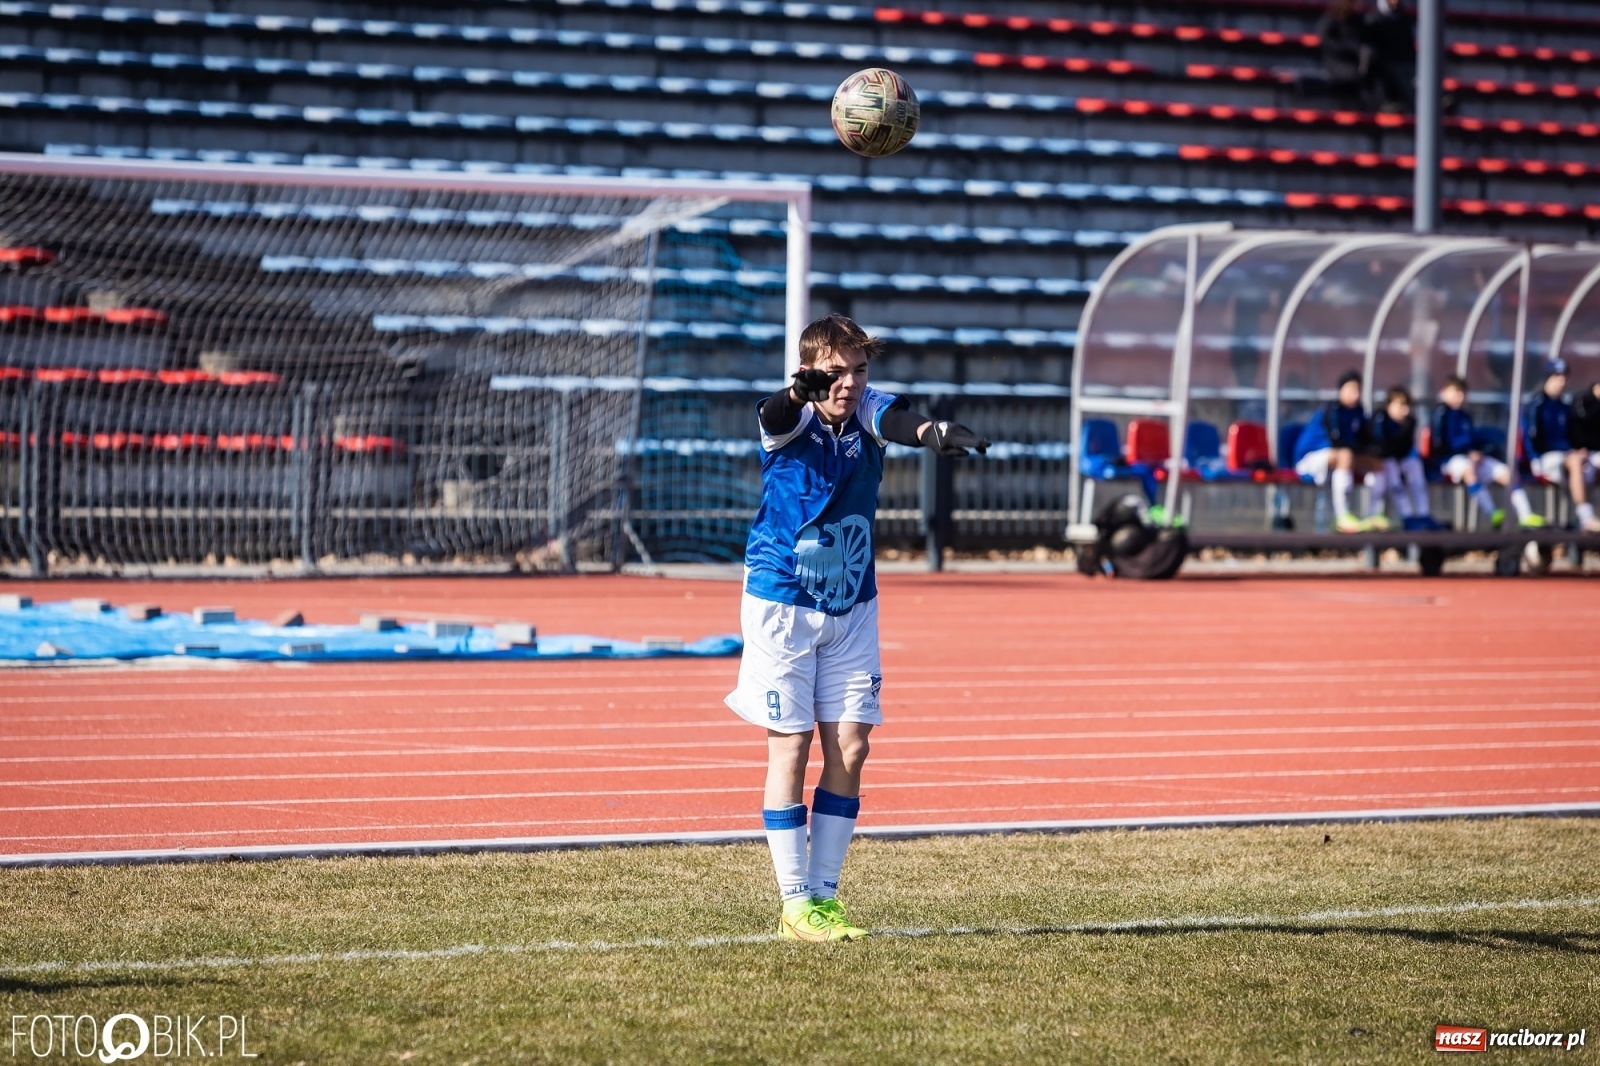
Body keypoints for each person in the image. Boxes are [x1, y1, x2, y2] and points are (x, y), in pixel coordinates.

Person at [726, 312, 989, 943]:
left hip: (853, 604)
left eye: (858, 369)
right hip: (783, 603)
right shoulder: (791, 419)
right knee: (790, 747)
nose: (849, 382)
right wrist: (798, 392)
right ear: (813, 368)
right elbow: (774, 416)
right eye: (836, 371)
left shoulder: (868, 407)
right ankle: (794, 903)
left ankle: (824, 899)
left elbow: (899, 420)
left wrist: (935, 433)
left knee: (851, 747)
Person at [1432, 375, 1544, 529]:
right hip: (1449, 461)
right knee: (1469, 470)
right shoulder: (1441, 414)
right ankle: (1493, 514)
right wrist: (1467, 452)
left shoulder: (1465, 416)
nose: (1459, 397)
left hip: (1470, 457)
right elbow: (1440, 443)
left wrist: (1478, 452)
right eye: (1455, 392)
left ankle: (1526, 515)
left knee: (1507, 473)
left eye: (1462, 392)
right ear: (1444, 392)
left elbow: (1472, 439)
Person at [1293, 369, 1390, 532]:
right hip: (1310, 459)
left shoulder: (1358, 412)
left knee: (1376, 463)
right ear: (1341, 390)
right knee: (1345, 455)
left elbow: (1363, 440)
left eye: (1358, 390)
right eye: (1351, 389)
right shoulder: (1332, 410)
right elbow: (1337, 441)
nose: (1356, 394)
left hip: (1339, 457)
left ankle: (1375, 515)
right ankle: (1342, 516)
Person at [1525, 358, 1599, 533]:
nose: (1562, 382)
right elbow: (1534, 440)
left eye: (1564, 377)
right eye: (1557, 377)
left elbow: (1574, 436)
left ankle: (1584, 519)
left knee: (1593, 463)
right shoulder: (1537, 405)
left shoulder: (1564, 407)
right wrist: (1568, 453)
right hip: (1542, 459)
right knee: (1574, 461)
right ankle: (1586, 517)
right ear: (1547, 379)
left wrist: (1579, 450)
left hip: (1566, 457)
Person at [1371, 385, 1440, 530]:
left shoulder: (1409, 422)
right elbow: (1379, 448)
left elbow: (1405, 449)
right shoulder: (1379, 419)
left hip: (1397, 461)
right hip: (1377, 465)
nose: (1404, 410)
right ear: (1389, 405)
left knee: (1414, 464)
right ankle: (1406, 515)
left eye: (1406, 405)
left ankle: (1423, 514)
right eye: (1400, 405)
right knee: (1390, 467)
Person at [1560, 376, 1600, 533]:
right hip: (1567, 454)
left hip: (1590, 456)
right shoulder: (1581, 400)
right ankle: (1586, 518)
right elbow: (1581, 421)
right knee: (1577, 462)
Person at [1362, 0, 1415, 111]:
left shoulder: (1404, 19)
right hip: (1383, 71)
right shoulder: (1372, 20)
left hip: (1404, 66)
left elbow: (1409, 47)